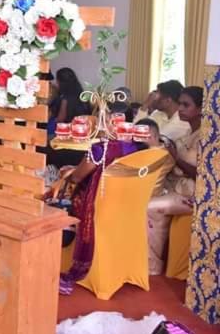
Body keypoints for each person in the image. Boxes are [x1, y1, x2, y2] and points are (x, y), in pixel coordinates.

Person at [57, 119, 164, 294]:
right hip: (132, 207)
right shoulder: (146, 149)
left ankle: (70, 253)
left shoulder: (100, 149)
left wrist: (68, 174)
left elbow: (77, 178)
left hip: (102, 207)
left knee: (63, 194)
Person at [147, 86, 203, 275]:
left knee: (150, 207)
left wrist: (176, 157)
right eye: (180, 104)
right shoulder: (188, 133)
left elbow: (202, 175)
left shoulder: (205, 138)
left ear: (200, 109)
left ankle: (153, 265)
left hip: (191, 195)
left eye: (186, 105)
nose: (180, 109)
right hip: (174, 187)